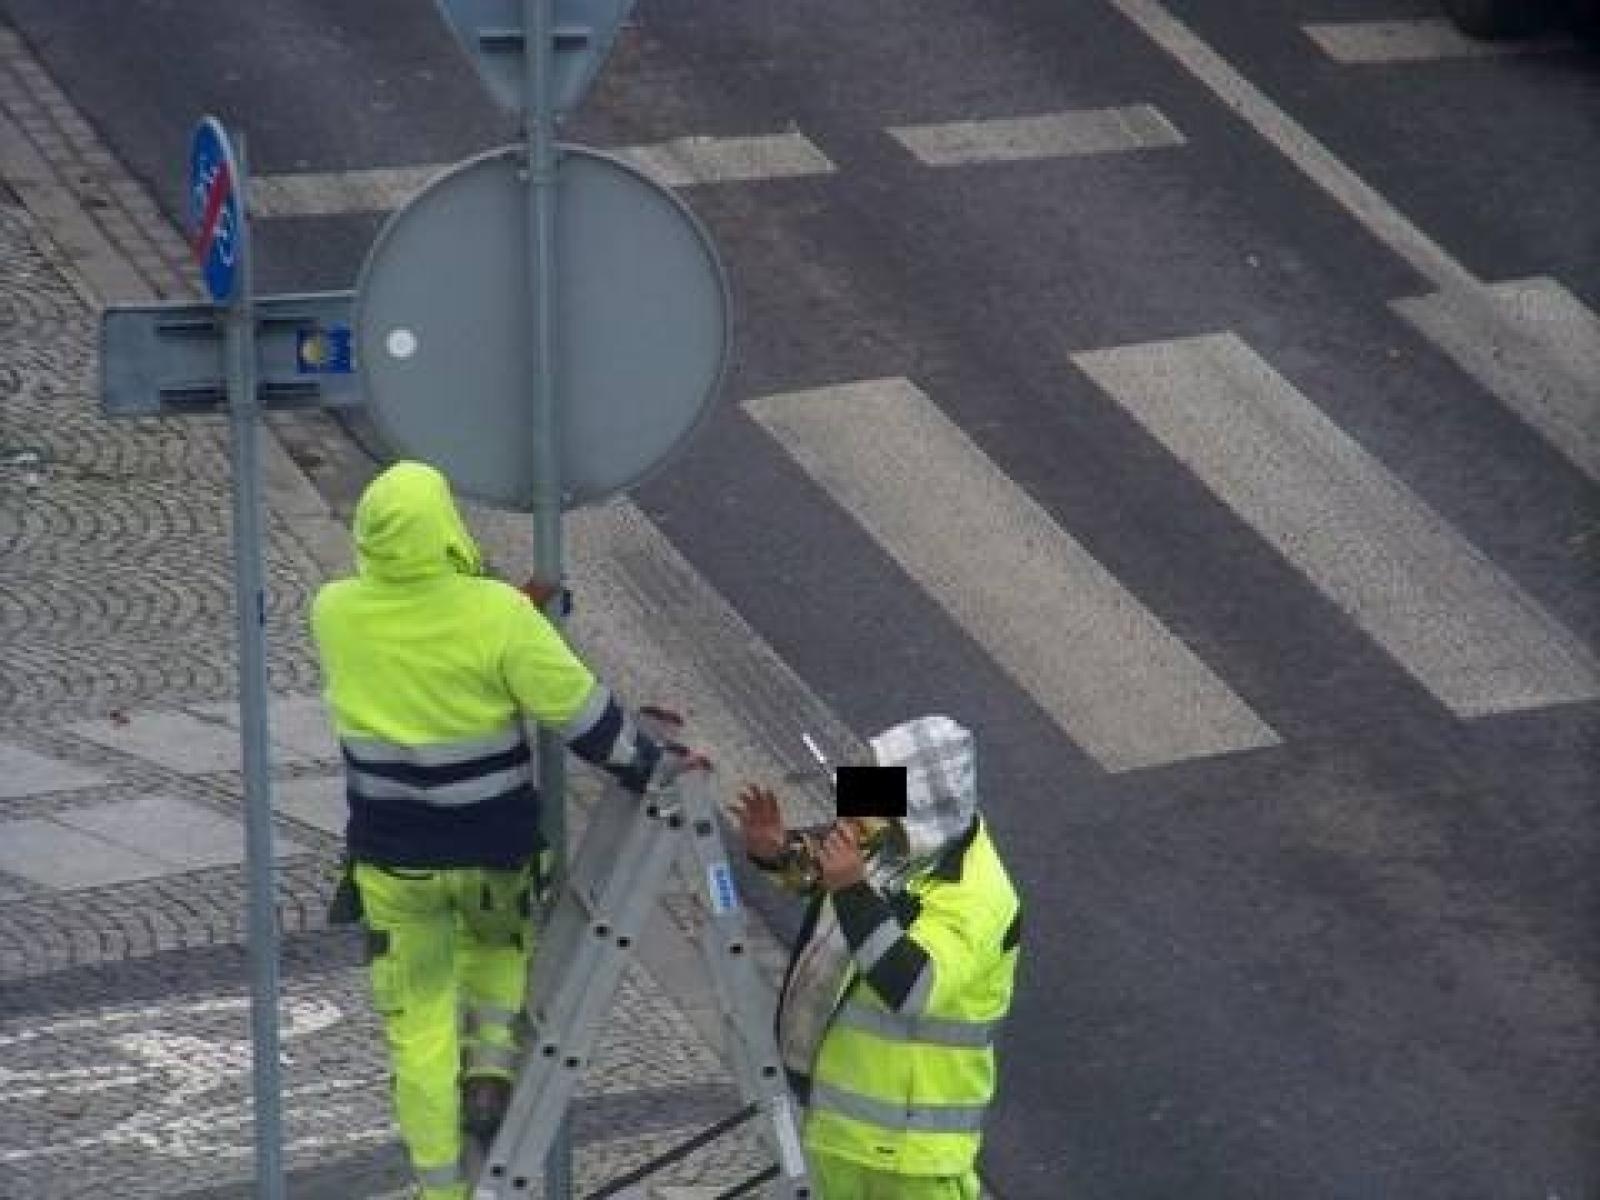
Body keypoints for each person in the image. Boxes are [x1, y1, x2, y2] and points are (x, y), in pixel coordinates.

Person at [311, 460, 692, 1200]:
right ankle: (490, 1069)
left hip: (395, 865)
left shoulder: (334, 611)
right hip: (493, 848)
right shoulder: (497, 617)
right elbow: (581, 718)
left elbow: (421, 641)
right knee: (498, 944)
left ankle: (441, 1188)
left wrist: (502, 608)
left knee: (417, 1028)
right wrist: (655, 766)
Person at [733, 716, 1022, 1200]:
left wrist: (850, 890)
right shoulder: (900, 843)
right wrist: (778, 851)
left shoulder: (979, 897)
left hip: (912, 1153)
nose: (862, 803)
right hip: (841, 1133)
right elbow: (829, 867)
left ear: (918, 806)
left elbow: (914, 987)